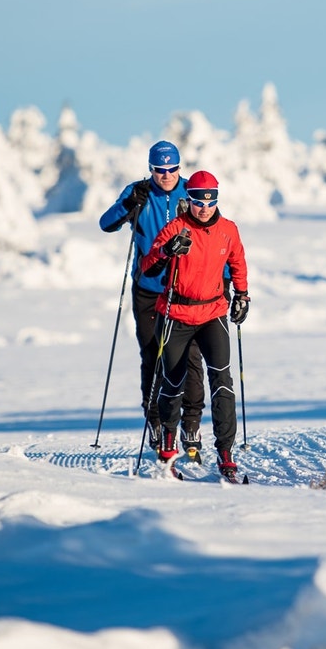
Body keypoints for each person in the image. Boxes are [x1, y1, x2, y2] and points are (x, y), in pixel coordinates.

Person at [138, 170, 250, 482]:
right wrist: (165, 251)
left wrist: (242, 295)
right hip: (176, 313)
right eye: (198, 200)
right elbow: (149, 264)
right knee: (173, 382)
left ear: (216, 199)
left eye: (210, 200)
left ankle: (225, 453)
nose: (204, 206)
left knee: (222, 381)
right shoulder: (176, 228)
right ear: (189, 200)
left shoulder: (228, 230)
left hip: (213, 312)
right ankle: (168, 448)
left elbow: (238, 262)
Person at [99, 140, 208, 460]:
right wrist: (127, 204)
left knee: (190, 358)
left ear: (179, 167)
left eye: (172, 169)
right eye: (160, 170)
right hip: (148, 288)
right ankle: (156, 421)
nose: (166, 175)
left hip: (186, 291)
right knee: (152, 355)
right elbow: (106, 224)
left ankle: (191, 423)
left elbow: (215, 232)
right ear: (151, 169)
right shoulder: (138, 193)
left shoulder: (191, 192)